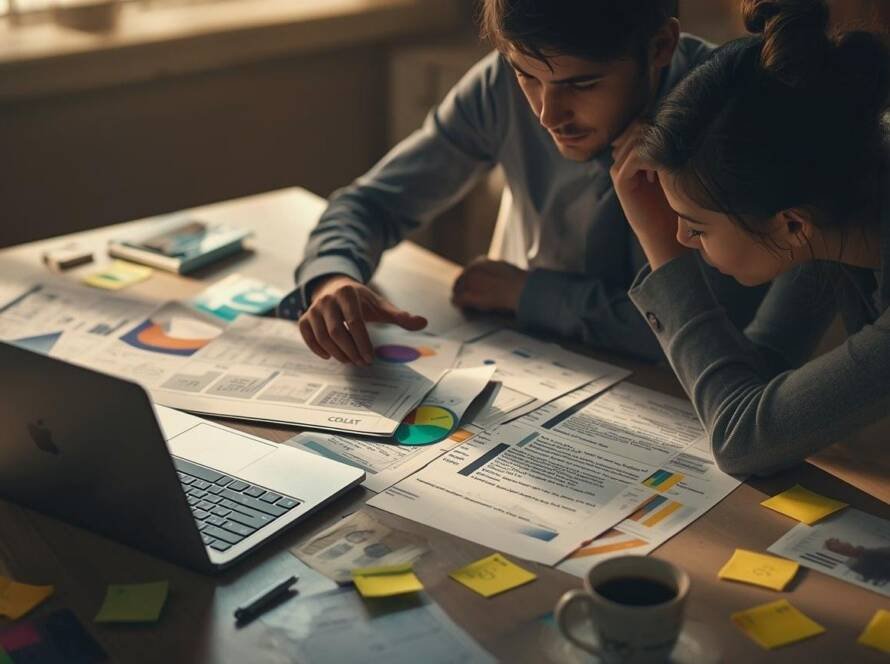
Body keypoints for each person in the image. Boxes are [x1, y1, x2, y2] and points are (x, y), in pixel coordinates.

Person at [278, 0, 766, 366]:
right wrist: (332, 278)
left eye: (581, 84)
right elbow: (371, 204)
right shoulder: (499, 85)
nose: (547, 114)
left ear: (660, 47)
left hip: (683, 400)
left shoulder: (724, 114)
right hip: (530, 366)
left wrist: (529, 295)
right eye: (527, 77)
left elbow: (712, 330)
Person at [611, 0, 889, 475]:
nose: (680, 235)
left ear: (791, 224)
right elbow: (759, 366)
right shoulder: (837, 202)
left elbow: (742, 438)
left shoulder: (826, 210)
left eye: (695, 227)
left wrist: (663, 252)